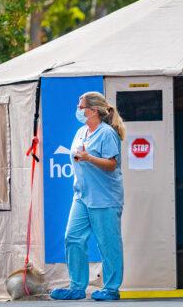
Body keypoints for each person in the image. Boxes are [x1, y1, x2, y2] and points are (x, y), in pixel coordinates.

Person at [50, 92, 126, 301]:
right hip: (82, 196)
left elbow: (112, 165)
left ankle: (111, 289)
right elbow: (79, 157)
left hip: (104, 198)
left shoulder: (107, 133)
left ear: (93, 110)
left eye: (81, 106)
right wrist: (80, 158)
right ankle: (77, 287)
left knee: (108, 243)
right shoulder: (81, 132)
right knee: (72, 237)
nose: (78, 109)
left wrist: (89, 158)